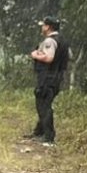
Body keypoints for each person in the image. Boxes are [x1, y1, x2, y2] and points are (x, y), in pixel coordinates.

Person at [26, 16, 69, 147]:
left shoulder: (50, 41)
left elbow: (49, 58)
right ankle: (39, 132)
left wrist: (35, 54)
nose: (42, 27)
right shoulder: (62, 41)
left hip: (47, 78)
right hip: (56, 77)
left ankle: (48, 136)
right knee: (44, 103)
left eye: (43, 25)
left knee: (43, 105)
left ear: (48, 27)